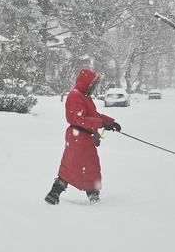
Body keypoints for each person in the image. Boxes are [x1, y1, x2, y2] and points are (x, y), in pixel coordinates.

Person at [44, 68, 121, 205]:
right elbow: (81, 119)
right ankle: (92, 195)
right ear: (86, 83)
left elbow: (94, 115)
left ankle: (55, 193)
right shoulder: (75, 96)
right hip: (78, 136)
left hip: (82, 137)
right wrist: (101, 123)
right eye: (93, 84)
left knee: (75, 165)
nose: (94, 87)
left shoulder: (84, 96)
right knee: (86, 166)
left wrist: (111, 122)